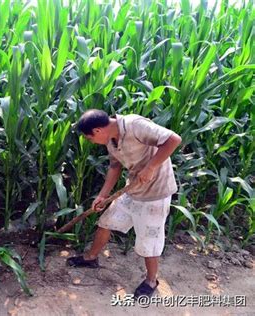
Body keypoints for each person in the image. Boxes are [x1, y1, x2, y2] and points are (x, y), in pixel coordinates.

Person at [67, 109, 182, 298]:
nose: (91, 142)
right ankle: (90, 258)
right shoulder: (111, 141)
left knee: (148, 240)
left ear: (97, 130)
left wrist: (151, 167)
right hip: (133, 189)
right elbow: (115, 166)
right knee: (106, 222)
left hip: (155, 193)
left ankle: (151, 281)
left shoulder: (134, 125)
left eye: (89, 138)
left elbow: (173, 139)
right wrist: (103, 195)